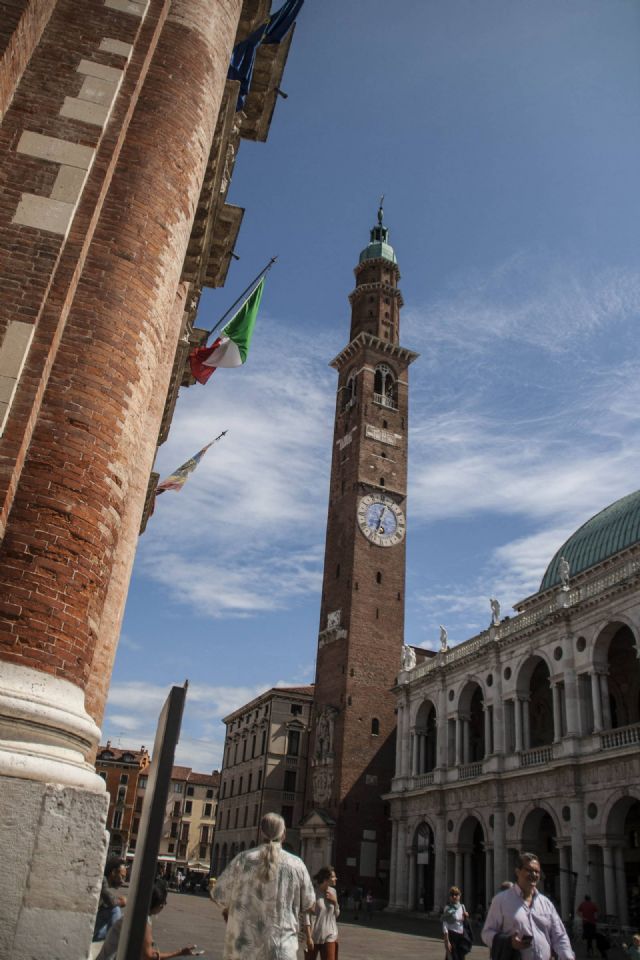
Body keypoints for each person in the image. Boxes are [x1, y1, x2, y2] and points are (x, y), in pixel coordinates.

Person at [212, 811, 315, 960]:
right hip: (281, 948)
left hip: (245, 947)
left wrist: (230, 911)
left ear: (261, 833)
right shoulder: (297, 865)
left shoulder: (243, 860)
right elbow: (310, 904)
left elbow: (219, 894)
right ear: (284, 834)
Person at [482, 852, 574, 960]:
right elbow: (486, 933)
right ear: (517, 871)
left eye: (537, 871)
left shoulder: (546, 903)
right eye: (529, 870)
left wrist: (567, 957)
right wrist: (509, 942)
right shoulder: (501, 900)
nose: (534, 875)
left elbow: (559, 936)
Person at [96, 882, 194, 960]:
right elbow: (149, 956)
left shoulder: (137, 913)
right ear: (160, 904)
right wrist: (180, 952)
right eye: (164, 902)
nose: (164, 905)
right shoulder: (143, 920)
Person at [304, 866, 340, 960]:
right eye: (333, 877)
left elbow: (336, 915)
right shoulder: (313, 893)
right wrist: (308, 937)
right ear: (326, 879)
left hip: (330, 935)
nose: (335, 878)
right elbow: (307, 916)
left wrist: (335, 902)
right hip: (314, 936)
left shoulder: (333, 892)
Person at [93, 857, 128, 942]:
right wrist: (121, 901)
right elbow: (111, 902)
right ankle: (113, 945)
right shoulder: (103, 880)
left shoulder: (104, 884)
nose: (123, 881)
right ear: (113, 872)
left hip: (94, 931)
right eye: (122, 877)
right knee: (115, 910)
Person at [443, 886, 470, 960]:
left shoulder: (462, 907)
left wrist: (466, 916)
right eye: (452, 895)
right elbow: (445, 925)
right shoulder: (448, 908)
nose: (454, 896)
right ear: (450, 896)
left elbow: (464, 922)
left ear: (460, 895)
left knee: (461, 957)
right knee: (452, 957)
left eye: (456, 894)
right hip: (452, 936)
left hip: (461, 936)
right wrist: (447, 941)